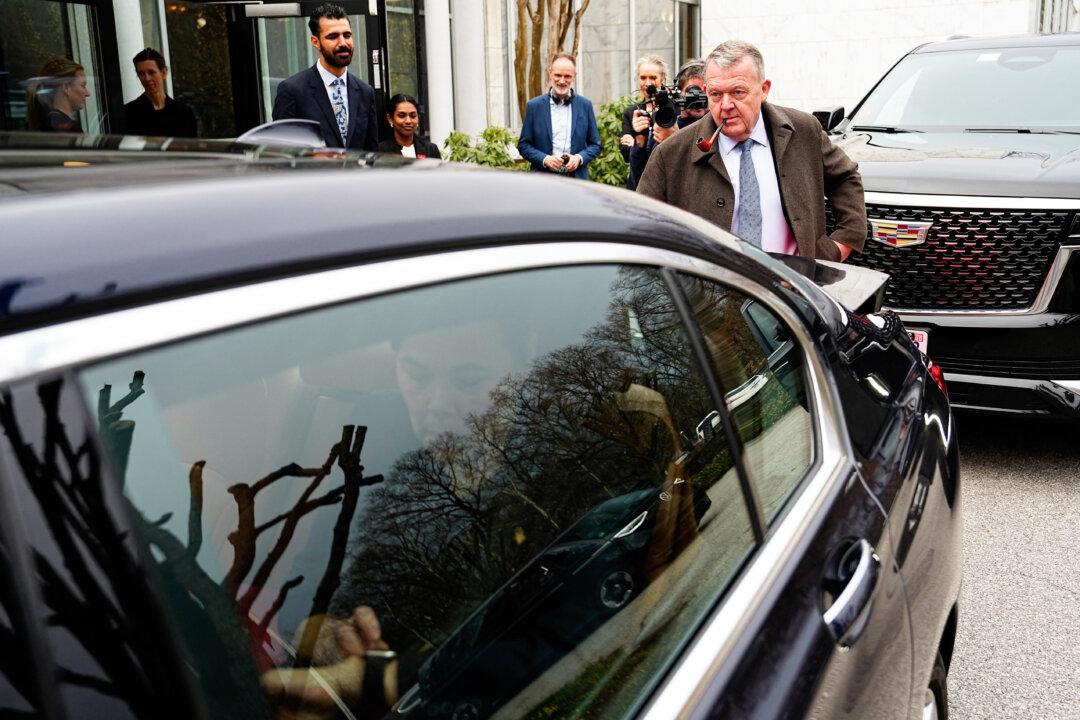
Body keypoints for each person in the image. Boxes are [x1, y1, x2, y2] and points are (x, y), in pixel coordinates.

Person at [637, 41, 866, 262]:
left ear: (764, 89)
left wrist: (839, 245)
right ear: (706, 92)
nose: (725, 105)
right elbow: (641, 227)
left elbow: (846, 178)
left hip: (795, 291)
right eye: (716, 94)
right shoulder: (672, 154)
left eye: (738, 92)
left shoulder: (803, 130)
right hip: (710, 296)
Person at [271, 3, 378, 151]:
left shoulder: (365, 92)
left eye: (347, 35)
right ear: (315, 42)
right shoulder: (292, 91)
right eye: (333, 36)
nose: (343, 43)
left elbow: (371, 151)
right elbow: (283, 151)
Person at [627, 58, 708, 190]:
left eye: (704, 92)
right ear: (678, 93)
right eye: (692, 91)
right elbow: (642, 179)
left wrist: (676, 139)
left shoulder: (718, 129)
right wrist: (640, 139)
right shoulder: (665, 124)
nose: (698, 98)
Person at [517, 53, 601, 179]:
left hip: (577, 181)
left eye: (567, 76)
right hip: (543, 181)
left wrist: (579, 158)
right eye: (558, 75)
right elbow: (523, 146)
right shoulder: (534, 106)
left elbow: (595, 145)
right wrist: (545, 159)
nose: (562, 81)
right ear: (550, 73)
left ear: (574, 77)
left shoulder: (585, 105)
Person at [122, 48, 197, 137]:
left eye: (151, 72)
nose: (147, 78)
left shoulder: (184, 113)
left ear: (164, 73)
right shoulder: (128, 114)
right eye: (141, 73)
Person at [619, 55, 668, 189]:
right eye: (643, 78)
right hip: (638, 183)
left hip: (666, 182)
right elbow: (626, 154)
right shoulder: (632, 112)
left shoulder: (672, 110)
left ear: (662, 80)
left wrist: (633, 142)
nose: (647, 83)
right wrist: (638, 141)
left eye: (653, 78)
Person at [26, 57, 89, 133]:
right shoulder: (70, 130)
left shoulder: (44, 124)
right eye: (83, 86)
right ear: (66, 87)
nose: (88, 93)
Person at [377, 93, 441, 159]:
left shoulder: (430, 149)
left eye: (413, 116)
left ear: (418, 118)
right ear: (390, 119)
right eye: (402, 115)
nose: (408, 121)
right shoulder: (379, 151)